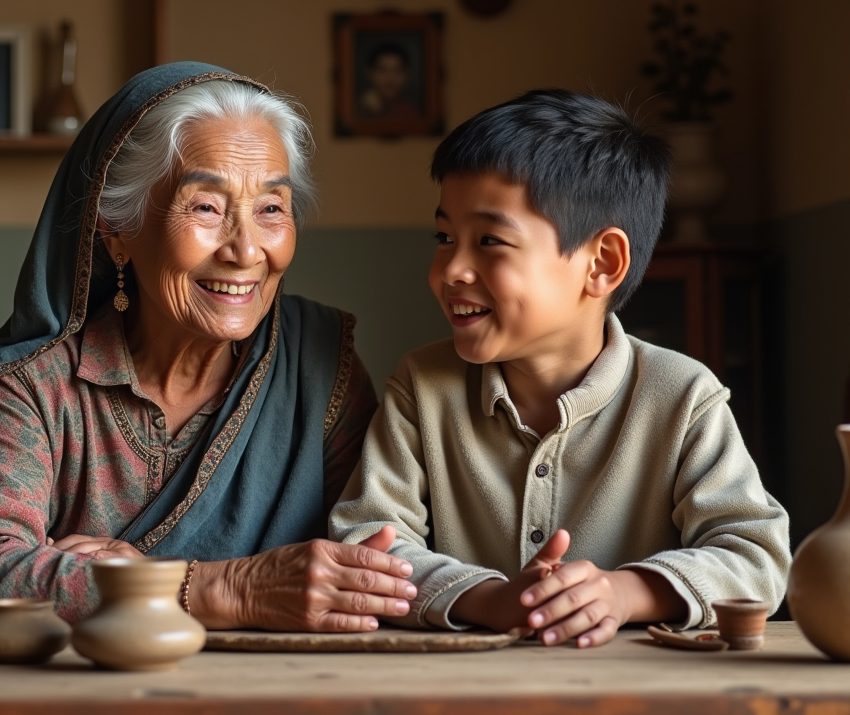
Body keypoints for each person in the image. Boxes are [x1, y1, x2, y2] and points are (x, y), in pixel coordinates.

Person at [0, 62, 418, 631]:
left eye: (271, 209)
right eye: (206, 207)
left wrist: (130, 580)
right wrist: (214, 587)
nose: (246, 250)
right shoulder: (34, 386)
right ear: (117, 231)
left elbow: (375, 563)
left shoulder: (321, 366)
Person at [330, 89, 790, 647]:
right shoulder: (422, 387)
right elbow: (366, 543)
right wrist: (489, 599)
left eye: (490, 241)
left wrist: (626, 593)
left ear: (602, 264)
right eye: (445, 237)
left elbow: (755, 556)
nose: (451, 269)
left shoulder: (683, 396)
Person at [357, 43, 420, 120]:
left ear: (407, 74)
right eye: (382, 70)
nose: (390, 79)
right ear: (369, 73)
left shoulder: (412, 113)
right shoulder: (352, 109)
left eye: (397, 71)